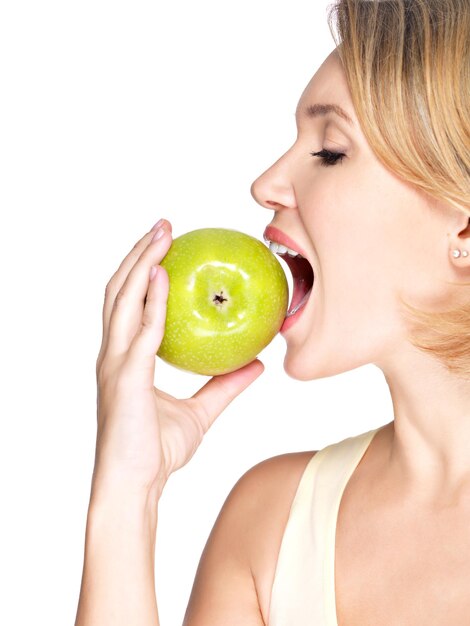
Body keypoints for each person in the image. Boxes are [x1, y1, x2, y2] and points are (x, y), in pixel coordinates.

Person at [74, 0, 470, 623]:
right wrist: (127, 497)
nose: (266, 184)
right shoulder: (271, 526)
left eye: (331, 151)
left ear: (466, 229)